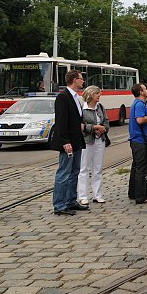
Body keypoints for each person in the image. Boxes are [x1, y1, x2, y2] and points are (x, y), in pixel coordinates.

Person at [51, 70, 86, 216]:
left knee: (74, 172)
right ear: (74, 80)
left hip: (77, 141)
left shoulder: (76, 97)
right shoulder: (63, 97)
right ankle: (59, 205)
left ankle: (71, 200)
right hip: (68, 142)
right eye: (81, 79)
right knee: (64, 173)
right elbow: (61, 122)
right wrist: (65, 141)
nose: (83, 81)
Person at [77, 85, 110, 205]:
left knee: (97, 168)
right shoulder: (82, 109)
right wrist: (93, 128)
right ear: (91, 95)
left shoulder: (100, 107)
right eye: (97, 94)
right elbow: (80, 125)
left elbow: (106, 121)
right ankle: (83, 195)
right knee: (84, 168)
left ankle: (97, 194)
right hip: (87, 141)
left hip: (100, 140)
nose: (99, 96)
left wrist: (104, 129)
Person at [128, 83, 147, 204]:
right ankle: (141, 197)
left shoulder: (137, 103)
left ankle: (133, 193)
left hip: (137, 140)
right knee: (141, 169)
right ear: (140, 92)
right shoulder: (139, 104)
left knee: (136, 168)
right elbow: (140, 120)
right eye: (145, 89)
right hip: (140, 141)